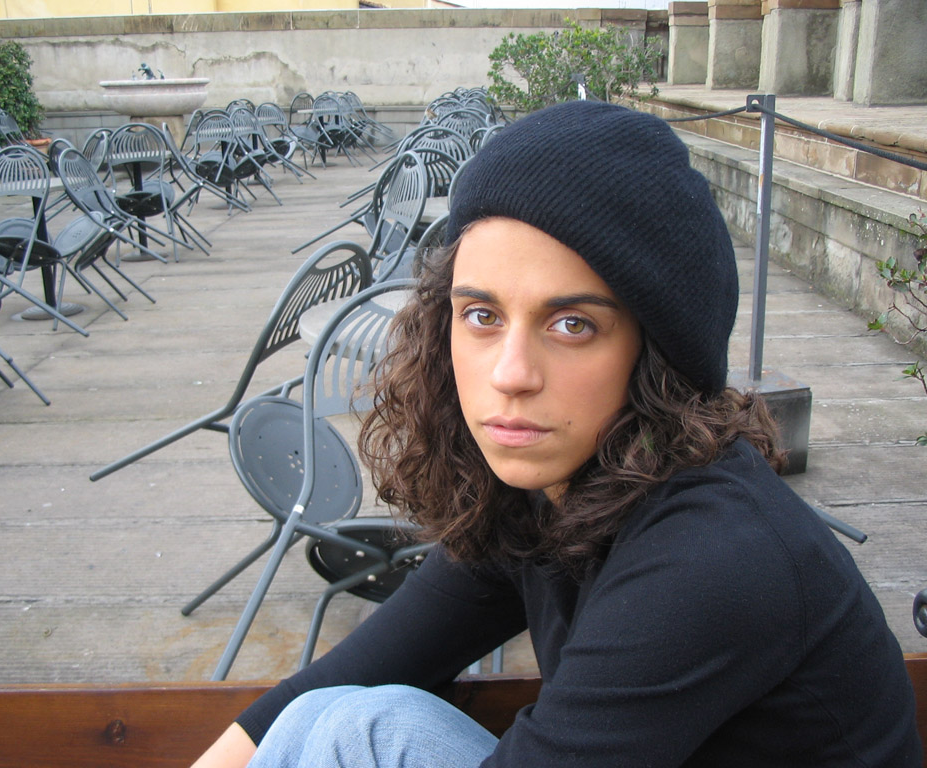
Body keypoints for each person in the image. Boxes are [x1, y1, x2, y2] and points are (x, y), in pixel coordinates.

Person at [190, 100, 921, 768]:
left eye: (572, 324)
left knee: (365, 732)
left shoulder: (711, 558)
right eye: (481, 316)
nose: (510, 374)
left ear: (656, 354)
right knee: (326, 714)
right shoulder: (547, 488)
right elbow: (351, 670)